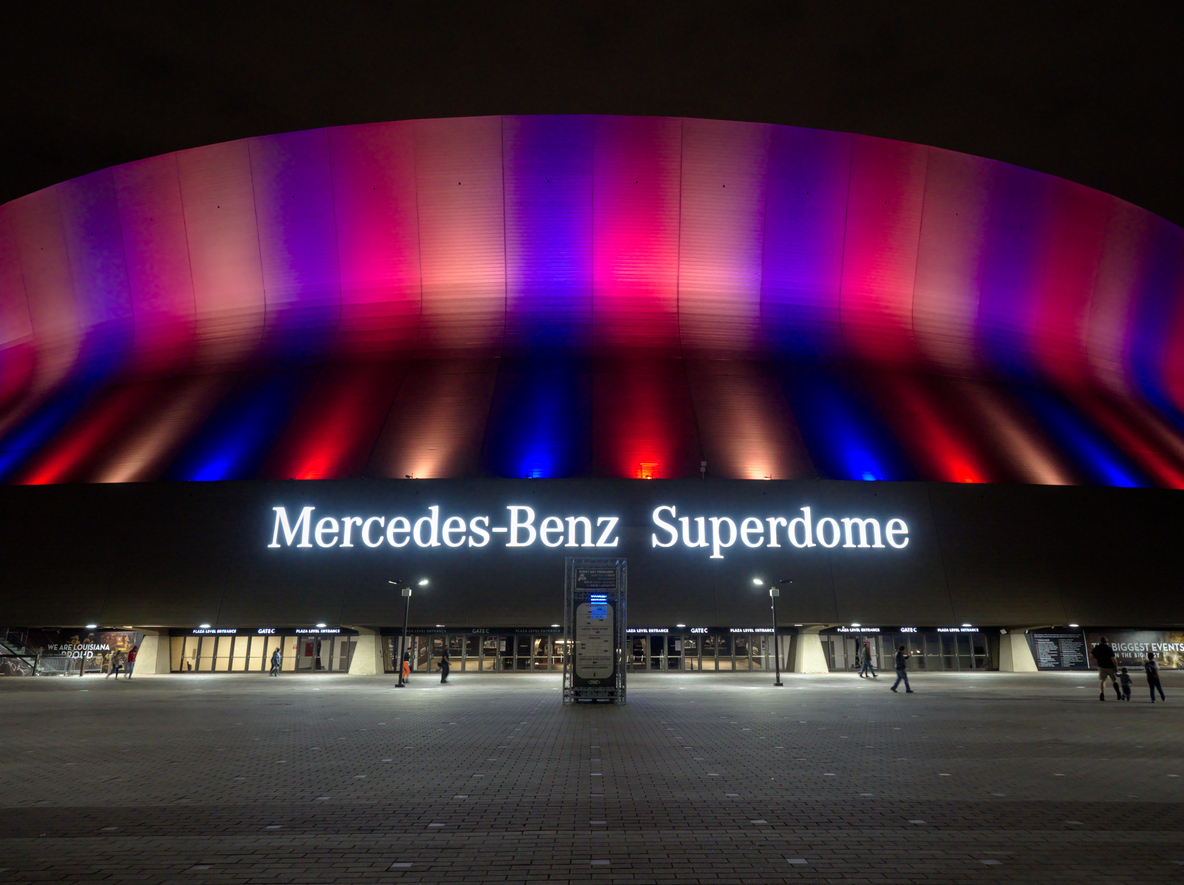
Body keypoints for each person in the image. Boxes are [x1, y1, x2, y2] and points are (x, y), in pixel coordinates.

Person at [1091, 636, 1122, 701]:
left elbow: (1092, 655)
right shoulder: (1108, 648)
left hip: (1101, 666)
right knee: (1114, 680)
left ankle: (1102, 693)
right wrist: (1116, 667)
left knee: (1103, 680)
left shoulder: (1097, 648)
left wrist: (1098, 659)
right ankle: (1118, 694)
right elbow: (1113, 659)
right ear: (1106, 642)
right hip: (1110, 667)